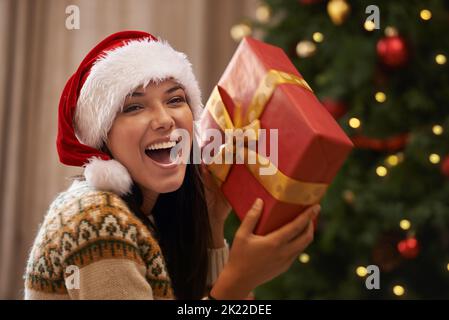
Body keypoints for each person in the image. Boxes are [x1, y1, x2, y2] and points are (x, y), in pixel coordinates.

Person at [24, 30, 320, 300]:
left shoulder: (147, 215)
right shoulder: (99, 219)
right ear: (102, 136)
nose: (165, 120)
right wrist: (238, 280)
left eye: (175, 100)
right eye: (135, 106)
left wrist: (213, 223)